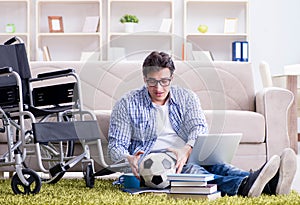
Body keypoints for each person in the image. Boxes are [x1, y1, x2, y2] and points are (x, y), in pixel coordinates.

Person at [107, 51, 297, 197]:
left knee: (219, 165)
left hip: (187, 153)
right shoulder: (127, 103)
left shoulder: (186, 97)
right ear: (144, 79)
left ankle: (268, 182)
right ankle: (249, 184)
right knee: (195, 171)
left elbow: (198, 127)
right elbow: (115, 146)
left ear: (172, 78)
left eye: (164, 81)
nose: (158, 88)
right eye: (152, 82)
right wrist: (129, 158)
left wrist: (187, 149)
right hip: (155, 164)